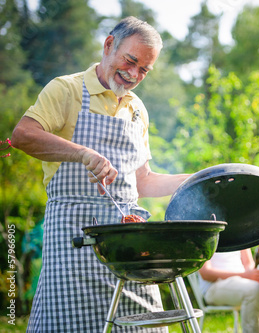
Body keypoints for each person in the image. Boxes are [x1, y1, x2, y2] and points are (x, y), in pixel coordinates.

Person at [11, 17, 191, 332]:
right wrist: (82, 153)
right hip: (74, 240)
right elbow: (23, 136)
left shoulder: (137, 109)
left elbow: (142, 182)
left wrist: (194, 180)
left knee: (141, 326)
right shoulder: (66, 89)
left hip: (130, 248)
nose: (134, 74)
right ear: (109, 45)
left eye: (144, 70)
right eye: (130, 61)